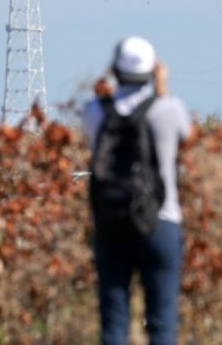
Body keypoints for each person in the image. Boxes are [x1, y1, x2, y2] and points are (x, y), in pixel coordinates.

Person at [82, 36, 193, 345]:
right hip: (160, 221)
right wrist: (161, 89)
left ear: (114, 69)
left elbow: (91, 142)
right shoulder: (169, 109)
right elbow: (187, 136)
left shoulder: (94, 112)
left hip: (110, 223)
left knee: (114, 323)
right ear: (153, 70)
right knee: (161, 324)